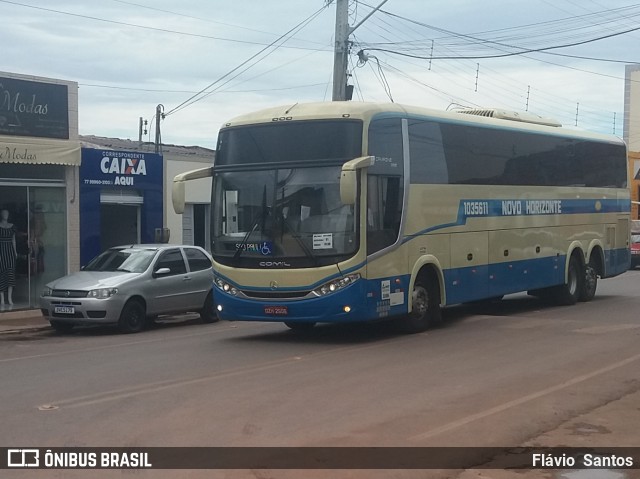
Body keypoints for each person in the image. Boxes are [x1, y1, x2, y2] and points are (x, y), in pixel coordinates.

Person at [0, 209, 17, 306]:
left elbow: (13, 240)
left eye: (7, 213)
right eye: (4, 213)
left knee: (10, 274)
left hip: (10, 251)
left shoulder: (12, 226)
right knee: (1, 274)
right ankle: (2, 299)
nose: (5, 215)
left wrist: (15, 252)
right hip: (1, 251)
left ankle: (9, 298)